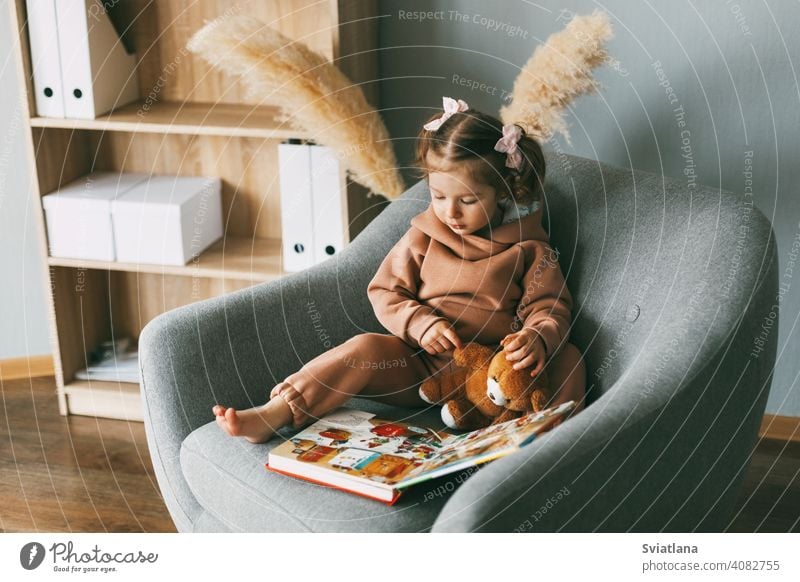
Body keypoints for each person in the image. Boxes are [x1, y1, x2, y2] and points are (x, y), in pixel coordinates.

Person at [213, 96, 586, 443]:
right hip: (423, 368)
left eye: (468, 200)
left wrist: (537, 336)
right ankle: (278, 410)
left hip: (495, 377)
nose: (450, 212)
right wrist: (420, 323)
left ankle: (542, 446)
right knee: (365, 347)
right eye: (439, 197)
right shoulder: (423, 236)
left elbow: (551, 306)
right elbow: (385, 291)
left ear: (502, 192)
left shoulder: (529, 247)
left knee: (569, 358)